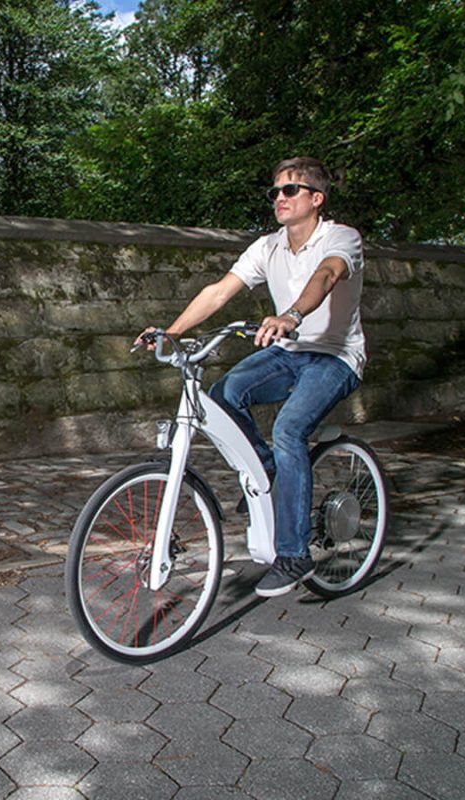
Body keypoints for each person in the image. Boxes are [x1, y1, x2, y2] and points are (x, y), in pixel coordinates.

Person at [137, 156, 366, 597]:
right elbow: (220, 291)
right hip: (288, 352)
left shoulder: (341, 238)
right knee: (224, 393)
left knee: (289, 429)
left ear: (317, 199)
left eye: (290, 190)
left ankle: (294, 555)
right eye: (274, 191)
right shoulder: (268, 246)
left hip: (335, 357)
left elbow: (327, 274)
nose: (279, 197)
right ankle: (269, 473)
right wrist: (171, 331)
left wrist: (291, 315)